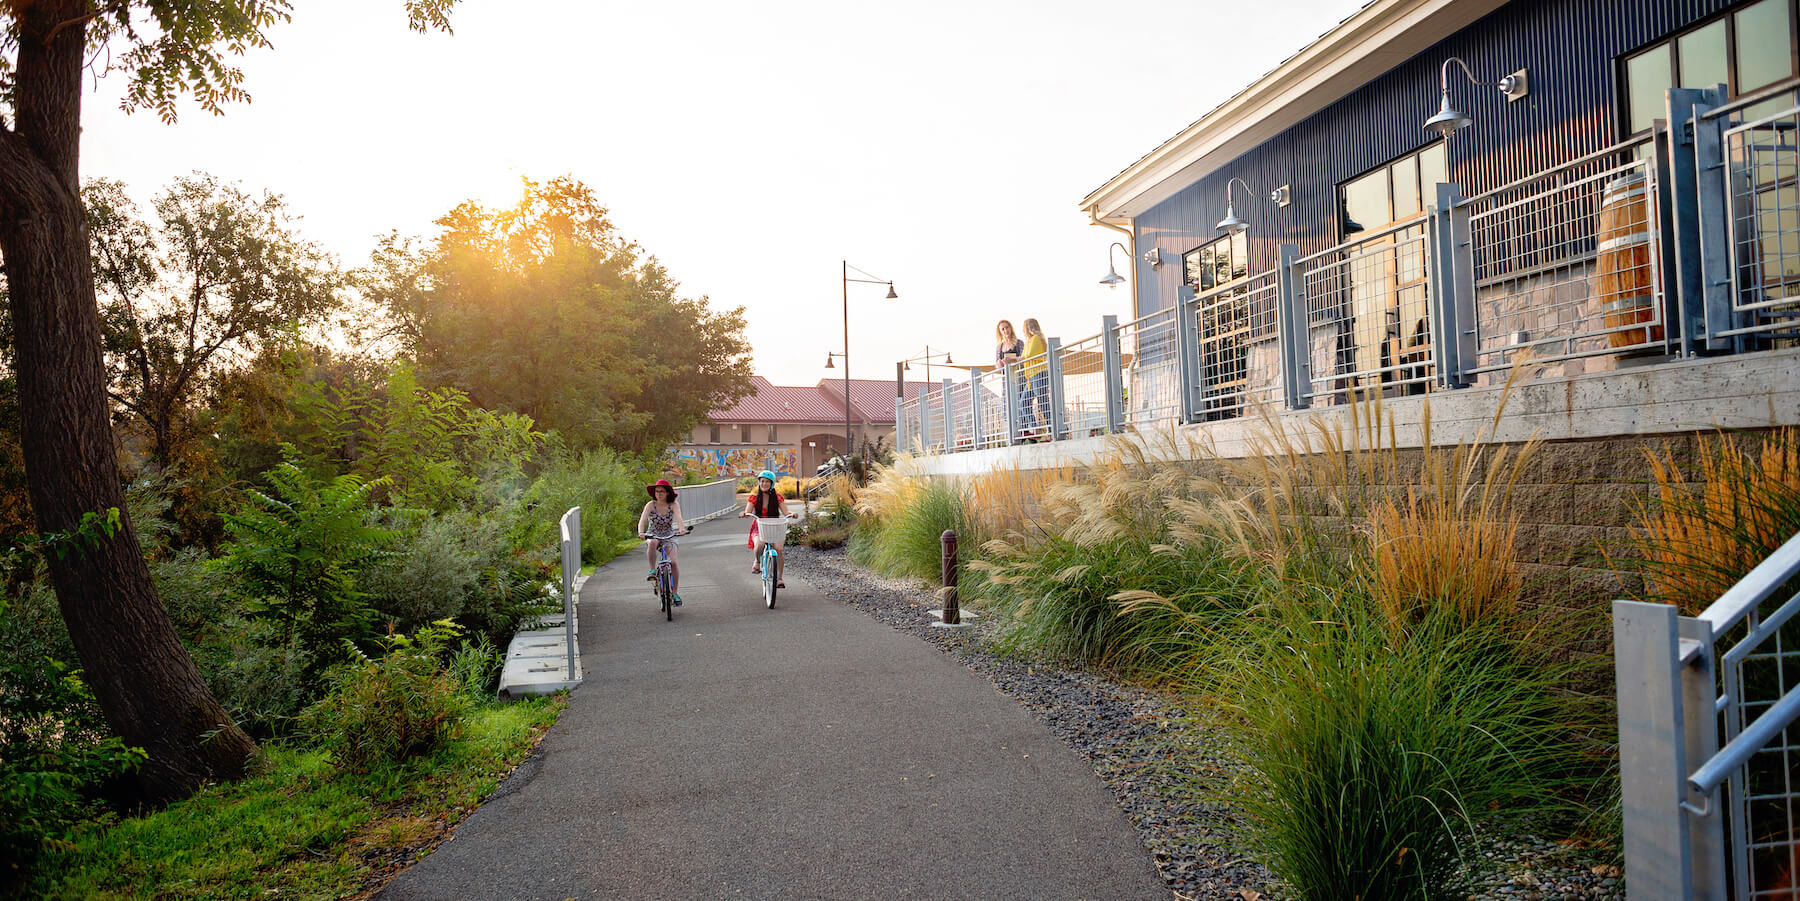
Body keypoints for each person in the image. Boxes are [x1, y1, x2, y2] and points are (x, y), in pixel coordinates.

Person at [638, 479, 687, 606]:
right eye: (657, 491)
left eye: (662, 491)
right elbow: (642, 520)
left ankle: (675, 593)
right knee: (653, 543)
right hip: (652, 534)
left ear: (667, 493)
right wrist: (641, 532)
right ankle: (652, 570)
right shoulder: (650, 505)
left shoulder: (673, 504)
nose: (659, 494)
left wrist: (681, 529)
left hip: (669, 535)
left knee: (674, 562)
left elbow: (679, 518)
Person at [739, 470, 790, 589]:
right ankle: (757, 561)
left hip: (775, 526)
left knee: (779, 549)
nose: (764, 484)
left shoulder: (777, 498)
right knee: (759, 545)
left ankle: (780, 578)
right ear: (759, 483)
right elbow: (748, 512)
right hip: (759, 526)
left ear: (771, 484)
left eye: (767, 482)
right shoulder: (754, 498)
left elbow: (786, 511)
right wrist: (744, 513)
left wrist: (792, 514)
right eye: (762, 481)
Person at [1021, 317, 1049, 440]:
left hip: (1039, 373)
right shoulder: (1029, 341)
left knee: (1043, 402)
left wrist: (1013, 359)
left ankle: (1053, 430)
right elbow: (1023, 357)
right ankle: (1036, 428)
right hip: (1031, 376)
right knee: (1024, 402)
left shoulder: (1037, 339)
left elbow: (1029, 356)